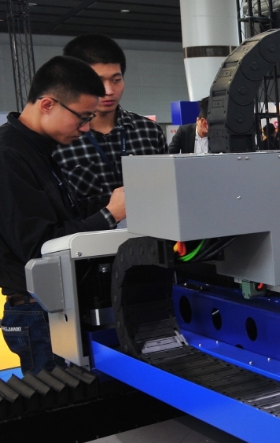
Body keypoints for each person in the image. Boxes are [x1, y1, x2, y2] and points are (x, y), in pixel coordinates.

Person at [0, 57, 127, 374]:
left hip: (59, 304)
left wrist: (114, 200)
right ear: (47, 104)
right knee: (64, 397)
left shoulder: (38, 149)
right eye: (82, 118)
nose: (85, 129)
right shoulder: (8, 155)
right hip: (41, 310)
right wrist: (110, 214)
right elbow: (40, 247)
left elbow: (63, 214)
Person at [51, 34, 167, 200]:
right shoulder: (59, 140)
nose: (109, 91)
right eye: (98, 81)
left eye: (116, 80)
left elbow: (168, 189)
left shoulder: (149, 131)